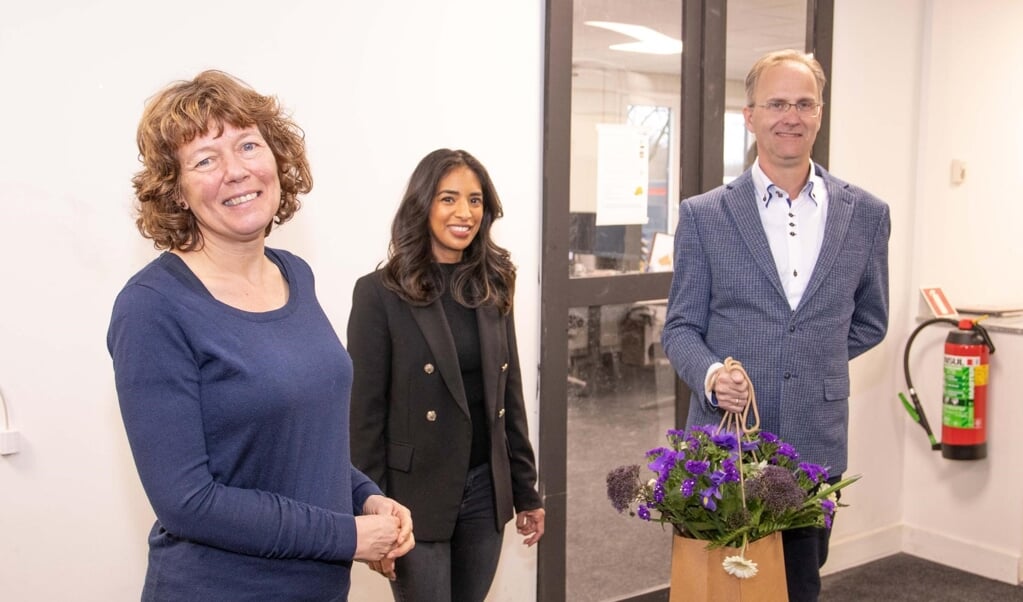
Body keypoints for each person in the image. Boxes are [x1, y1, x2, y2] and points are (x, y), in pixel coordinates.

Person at [107, 70, 414, 601]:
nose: (236, 171)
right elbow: (188, 501)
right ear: (175, 191)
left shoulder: (295, 274)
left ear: (276, 159)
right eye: (205, 159)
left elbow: (296, 444)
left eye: (248, 145)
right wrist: (346, 536)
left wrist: (364, 497)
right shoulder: (152, 308)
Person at [660, 50, 890, 602]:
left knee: (800, 585)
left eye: (804, 103)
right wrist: (714, 375)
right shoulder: (704, 215)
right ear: (750, 115)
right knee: (721, 590)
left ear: (819, 113)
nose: (792, 115)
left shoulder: (867, 214)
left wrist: (810, 362)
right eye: (777, 103)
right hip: (724, 447)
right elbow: (681, 328)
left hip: (815, 442)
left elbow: (870, 322)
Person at [347, 148, 545, 602]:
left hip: (483, 490)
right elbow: (364, 417)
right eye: (449, 198)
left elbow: (507, 396)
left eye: (475, 200)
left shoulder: (494, 281)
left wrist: (525, 491)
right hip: (414, 498)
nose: (465, 212)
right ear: (423, 205)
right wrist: (370, 510)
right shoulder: (379, 294)